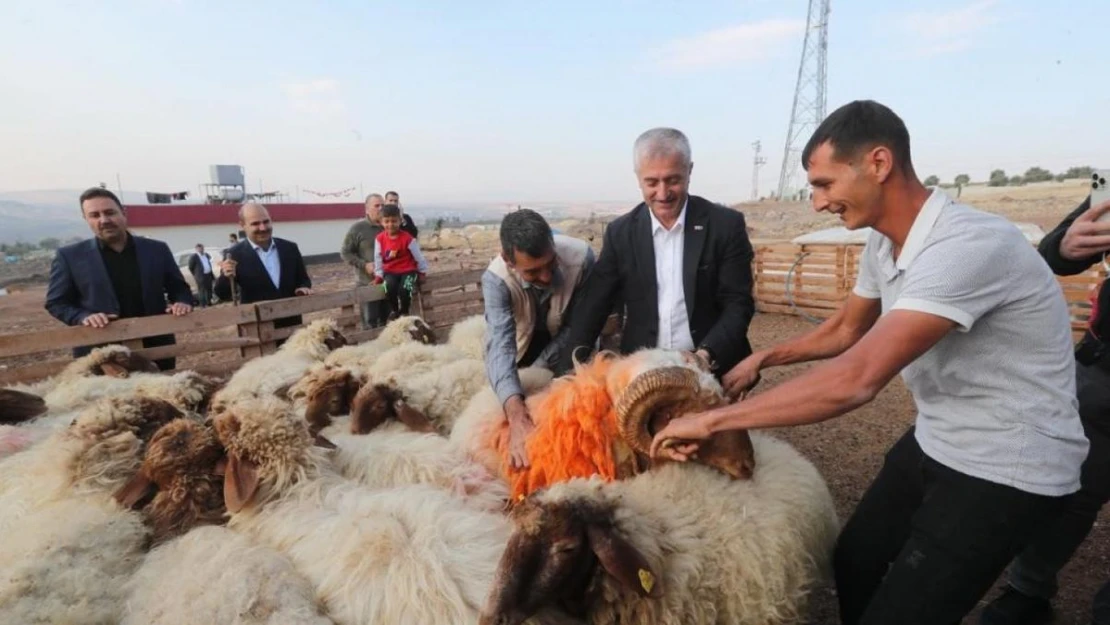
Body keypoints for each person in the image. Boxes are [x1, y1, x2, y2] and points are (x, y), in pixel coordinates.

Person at [648, 100, 1089, 625]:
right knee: (854, 561)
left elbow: (856, 380)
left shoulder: (966, 246)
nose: (816, 203)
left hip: (1008, 460)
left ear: (878, 164)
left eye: (825, 184)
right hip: (943, 435)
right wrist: (764, 356)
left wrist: (713, 419)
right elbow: (846, 329)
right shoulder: (884, 244)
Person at [978, 194, 1110, 625]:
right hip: (1101, 371)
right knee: (1069, 486)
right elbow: (1054, 251)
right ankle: (1027, 589)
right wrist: (1066, 246)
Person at [558, 127, 756, 379]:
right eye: (651, 182)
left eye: (673, 180)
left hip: (712, 366)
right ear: (638, 177)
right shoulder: (621, 233)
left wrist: (705, 355)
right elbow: (594, 307)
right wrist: (564, 375)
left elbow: (737, 303)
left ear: (689, 170)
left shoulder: (724, 225)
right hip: (643, 369)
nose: (662, 194)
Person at [482, 208, 595, 468]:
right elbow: (500, 343)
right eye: (532, 272)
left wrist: (541, 373)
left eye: (550, 264)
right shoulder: (496, 280)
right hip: (523, 348)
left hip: (572, 348)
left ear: (553, 244)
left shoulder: (581, 259)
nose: (546, 277)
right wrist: (516, 413)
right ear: (508, 260)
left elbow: (579, 327)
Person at [44, 187, 193, 370]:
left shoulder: (157, 250)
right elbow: (56, 302)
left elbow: (179, 289)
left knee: (159, 398)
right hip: (100, 355)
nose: (104, 220)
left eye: (109, 212)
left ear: (124, 213)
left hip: (156, 347)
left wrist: (182, 302)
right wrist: (83, 316)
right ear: (86, 220)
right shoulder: (70, 257)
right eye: (95, 215)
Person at [215, 202, 313, 334]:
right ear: (242, 225)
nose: (263, 228)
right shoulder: (234, 255)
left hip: (292, 328)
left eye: (266, 222)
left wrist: (303, 287)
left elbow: (303, 279)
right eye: (255, 224)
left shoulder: (290, 248)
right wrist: (225, 276)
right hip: (258, 331)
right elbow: (222, 294)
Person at [373, 203, 429, 320]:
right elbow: (378, 257)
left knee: (405, 289)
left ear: (400, 221)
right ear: (381, 222)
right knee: (388, 288)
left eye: (394, 221)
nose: (390, 224)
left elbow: (418, 256)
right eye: (387, 221)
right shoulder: (380, 239)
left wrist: (422, 271)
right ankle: (394, 310)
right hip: (390, 271)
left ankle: (404, 311)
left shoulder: (408, 238)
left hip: (409, 271)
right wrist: (379, 274)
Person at [341, 193, 388, 329]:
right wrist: (364, 265)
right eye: (376, 205)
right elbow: (345, 253)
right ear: (367, 209)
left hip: (388, 283)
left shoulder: (389, 226)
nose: (380, 208)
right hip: (367, 284)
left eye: (383, 205)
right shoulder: (358, 228)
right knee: (370, 324)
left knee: (389, 323)